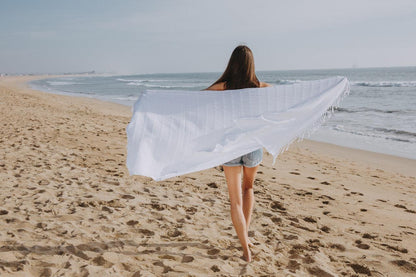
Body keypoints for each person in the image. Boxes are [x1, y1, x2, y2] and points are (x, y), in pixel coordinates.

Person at [205, 45, 271, 262]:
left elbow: (195, 102)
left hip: (230, 146)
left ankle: (245, 247)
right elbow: (287, 99)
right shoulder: (261, 87)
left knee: (235, 200)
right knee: (249, 188)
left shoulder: (222, 87)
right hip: (252, 145)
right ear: (251, 65)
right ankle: (246, 237)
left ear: (232, 64)